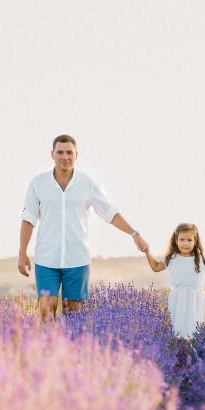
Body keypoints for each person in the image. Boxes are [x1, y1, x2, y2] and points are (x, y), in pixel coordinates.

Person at [18, 134, 148, 321]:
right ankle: (47, 341)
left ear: (76, 155)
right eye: (60, 152)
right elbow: (28, 219)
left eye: (69, 153)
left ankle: (71, 341)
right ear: (52, 154)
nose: (65, 157)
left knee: (74, 316)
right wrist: (22, 252)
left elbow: (110, 213)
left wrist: (134, 234)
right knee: (46, 313)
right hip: (46, 260)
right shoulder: (38, 183)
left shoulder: (88, 184)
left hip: (77, 260)